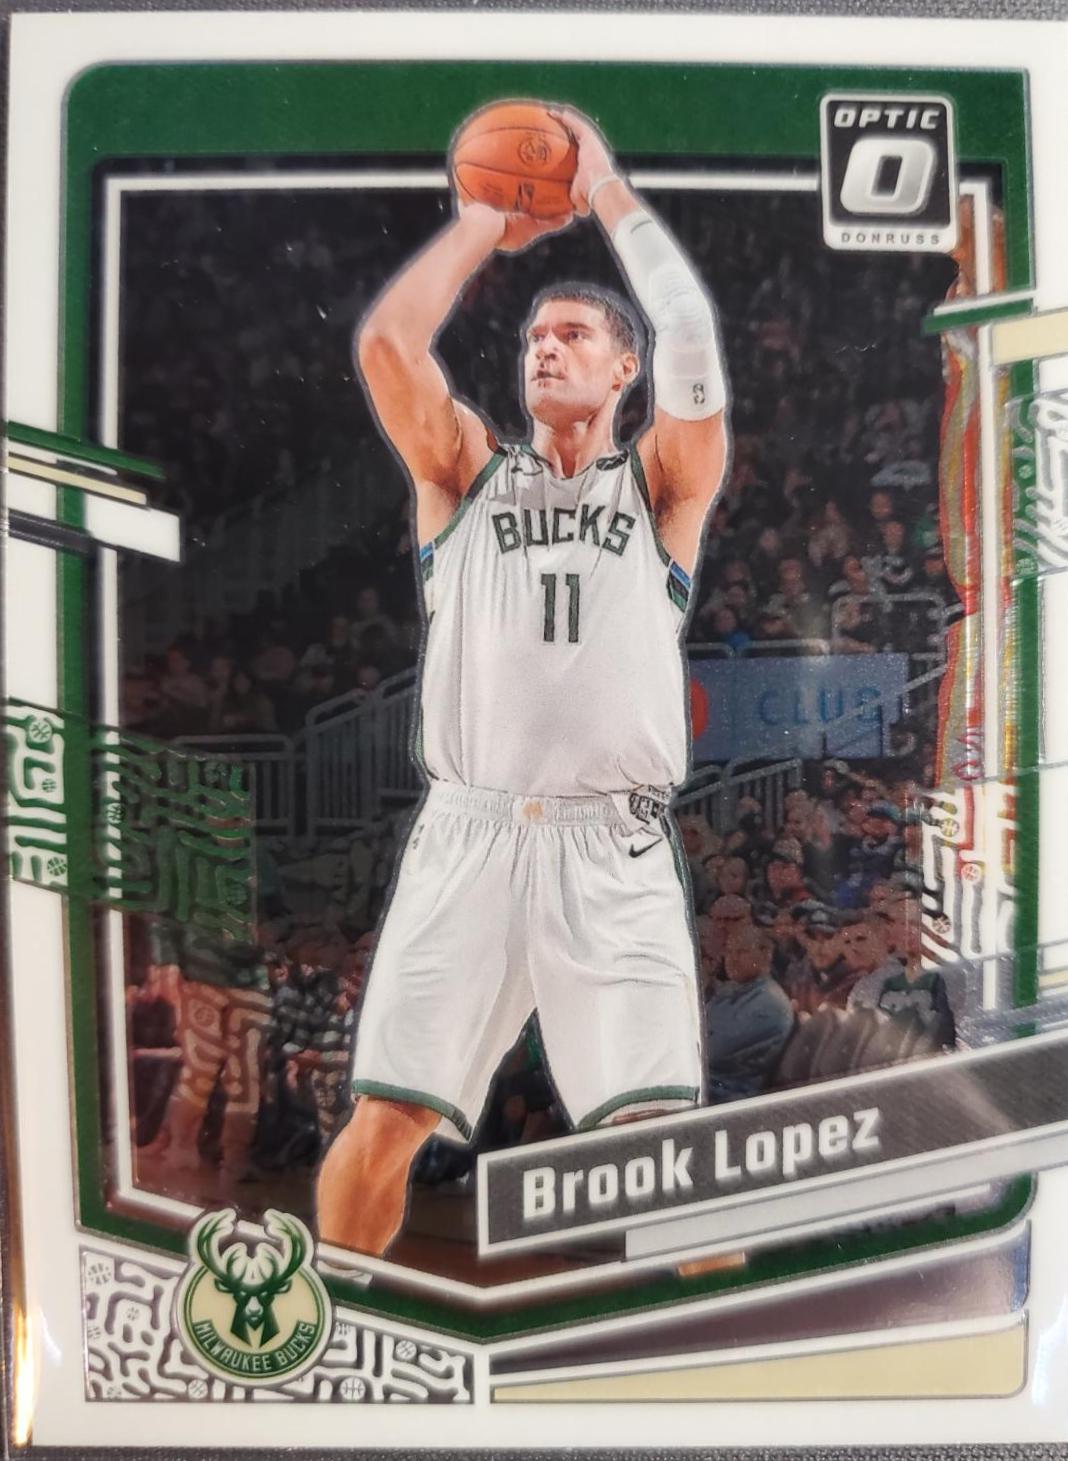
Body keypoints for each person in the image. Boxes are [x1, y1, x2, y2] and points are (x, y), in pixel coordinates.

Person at [317, 104, 729, 1257]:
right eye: (535, 336)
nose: (544, 347)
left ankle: (724, 1349)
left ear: (624, 368)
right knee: (386, 1123)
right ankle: (331, 1327)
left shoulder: (662, 485)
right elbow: (388, 348)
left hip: (612, 844)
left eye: (574, 335)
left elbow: (691, 331)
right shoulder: (463, 471)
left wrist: (604, 191)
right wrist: (481, 220)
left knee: (665, 1149)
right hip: (471, 833)